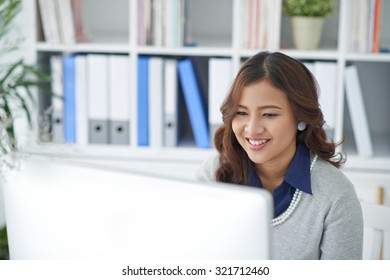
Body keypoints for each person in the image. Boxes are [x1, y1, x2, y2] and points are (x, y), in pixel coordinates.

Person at [195, 51, 363, 260]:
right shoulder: (212, 174)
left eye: (269, 114)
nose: (252, 129)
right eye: (241, 113)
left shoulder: (336, 196)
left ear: (301, 118)